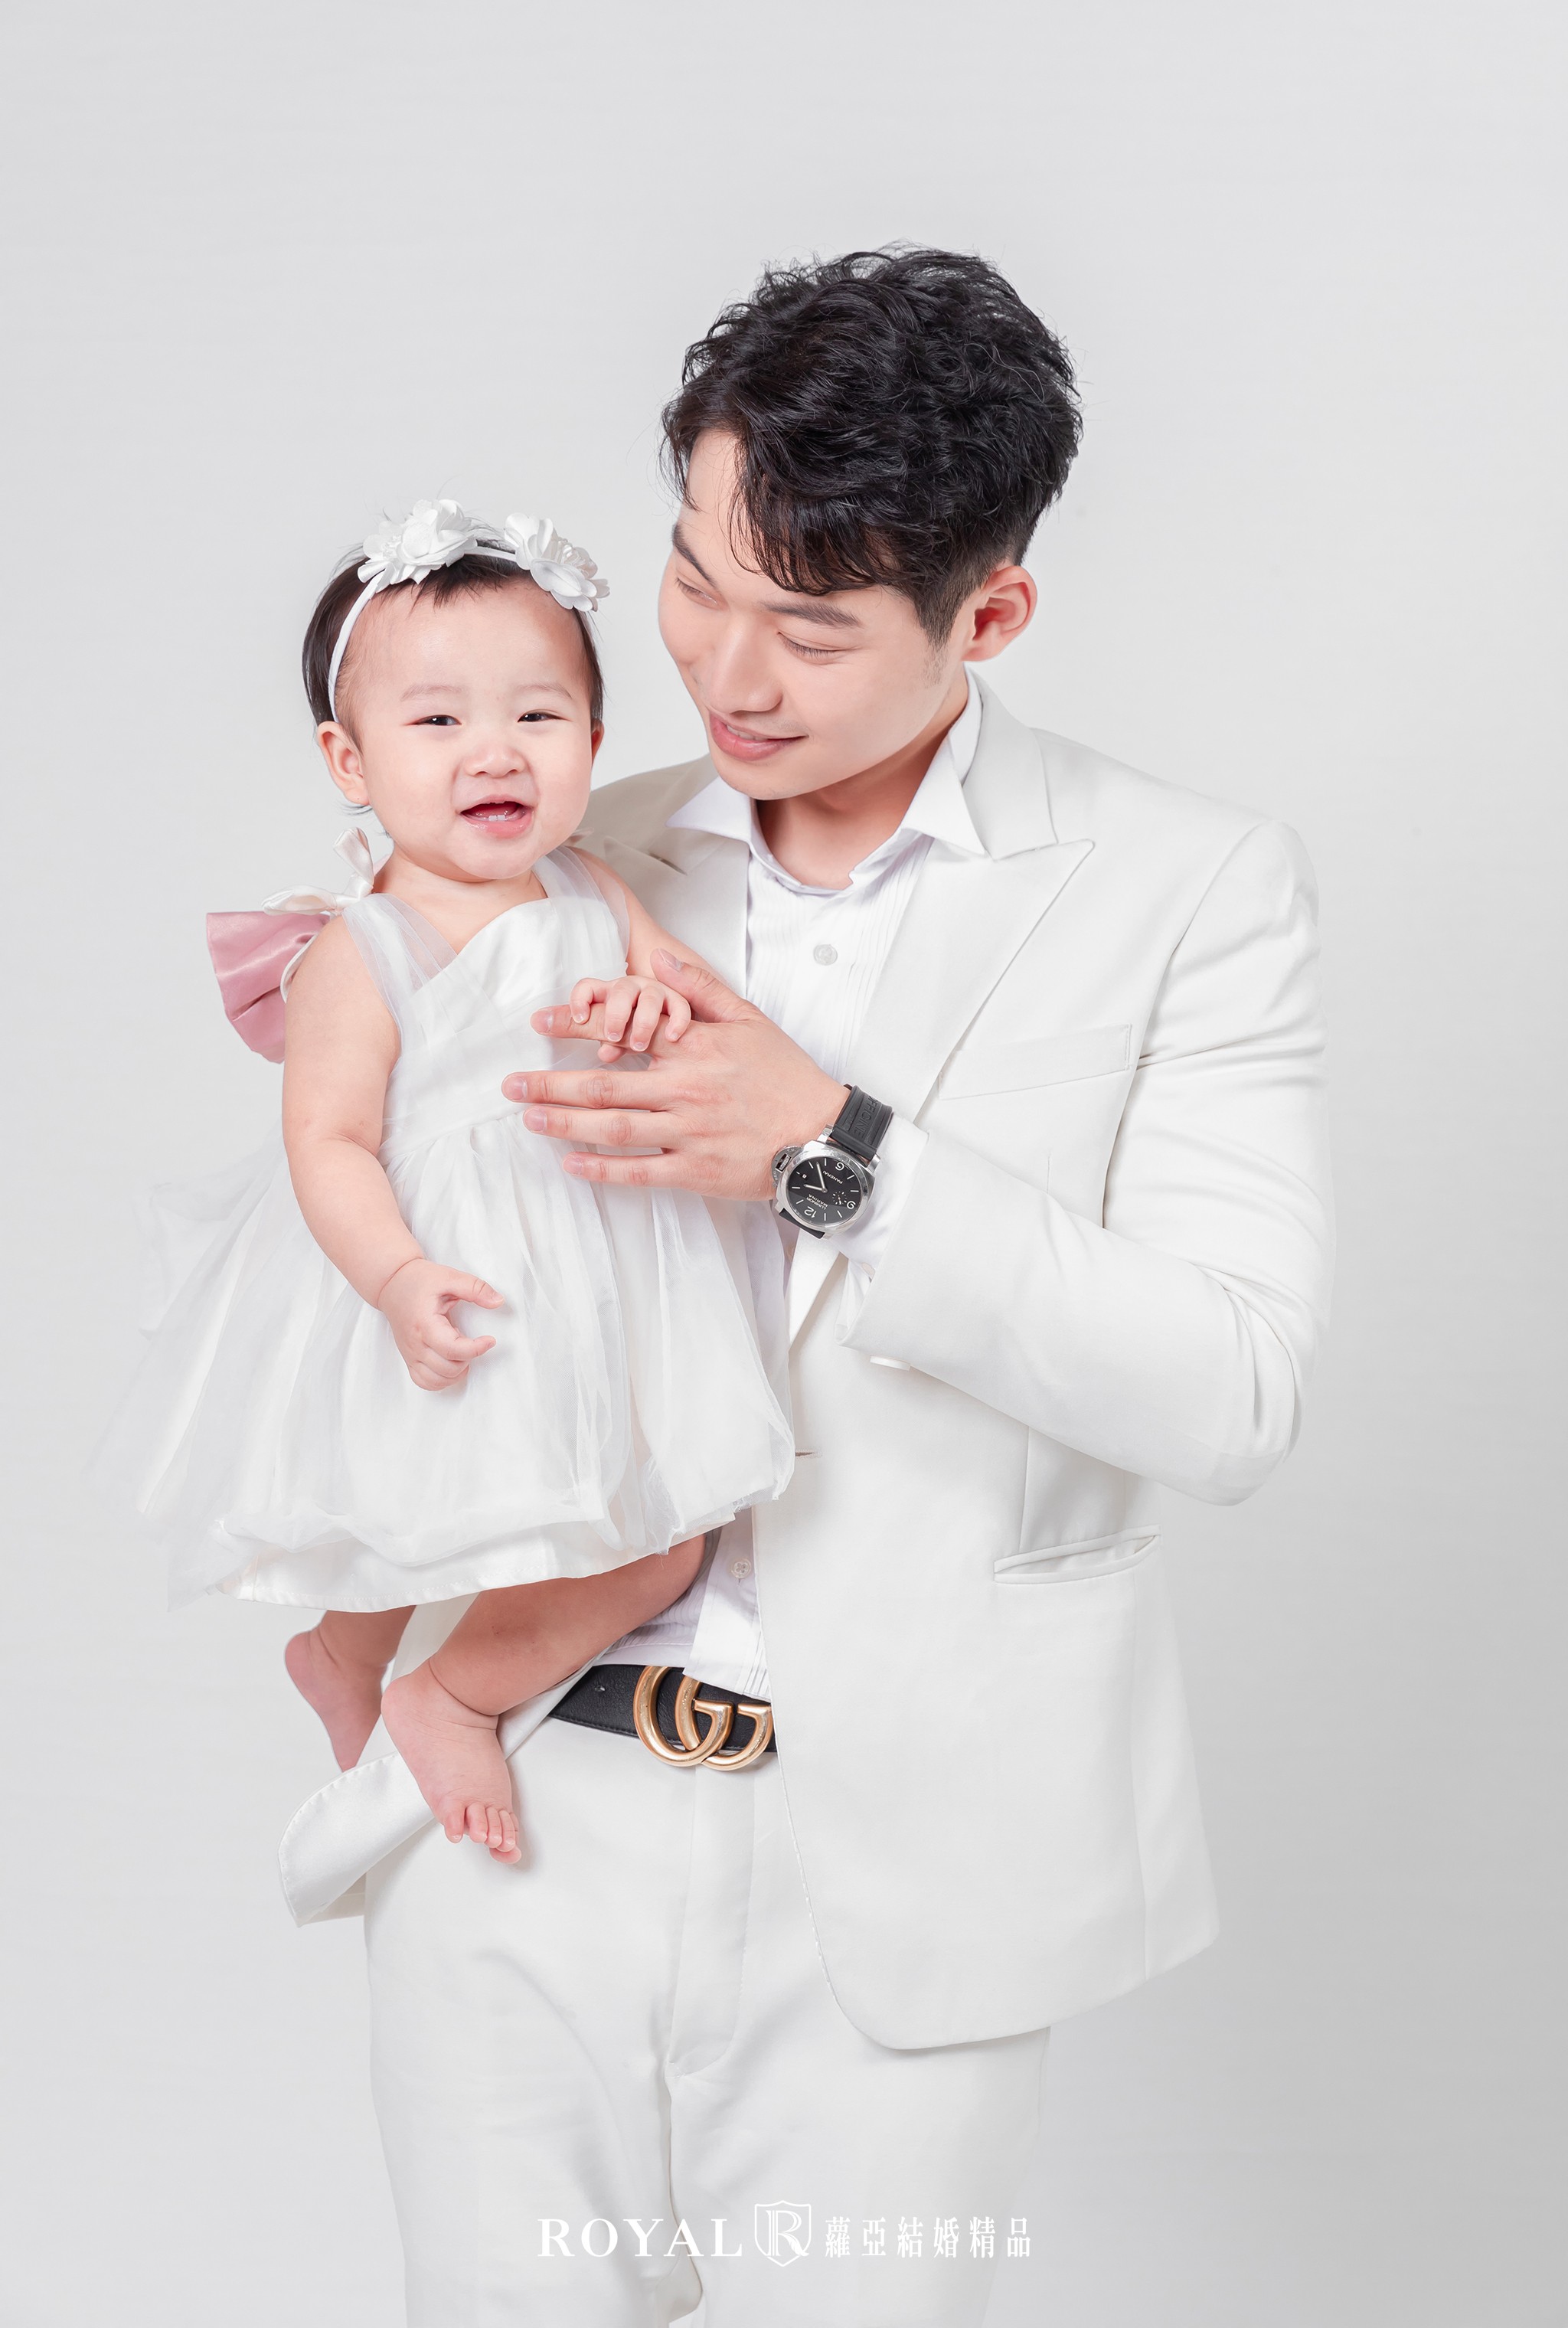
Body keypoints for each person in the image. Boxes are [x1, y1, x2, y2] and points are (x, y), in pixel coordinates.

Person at [289, 248, 1334, 2327]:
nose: (725, 670)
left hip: (915, 1871)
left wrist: (831, 1149)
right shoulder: (552, 847)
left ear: (989, 615)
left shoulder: (1193, 887)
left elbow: (1229, 1387)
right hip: (519, 1810)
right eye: (696, 580)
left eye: (814, 627)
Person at [99, 502, 793, 1862]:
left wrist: (646, 1007)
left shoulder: (594, 886)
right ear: (349, 760)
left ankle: (411, 1674)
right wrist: (398, 1277)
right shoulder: (360, 949)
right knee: (408, 1503)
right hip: (452, 1276)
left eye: (539, 716)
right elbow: (328, 1142)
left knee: (658, 1537)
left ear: (595, 740)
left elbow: (678, 999)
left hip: (608, 1264)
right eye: (436, 722)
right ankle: (399, 1674)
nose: (495, 751)